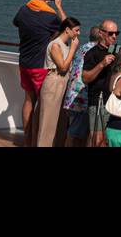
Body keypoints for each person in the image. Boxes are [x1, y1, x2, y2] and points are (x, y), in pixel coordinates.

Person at [12, 0, 67, 147]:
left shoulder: (23, 10)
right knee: (43, 105)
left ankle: (27, 139)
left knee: (28, 100)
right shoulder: (50, 16)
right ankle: (38, 141)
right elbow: (67, 28)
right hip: (40, 66)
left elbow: (16, 23)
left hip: (24, 62)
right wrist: (58, 7)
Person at [36, 17, 80, 147]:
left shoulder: (65, 44)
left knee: (61, 123)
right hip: (54, 83)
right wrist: (73, 49)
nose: (78, 33)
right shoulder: (55, 45)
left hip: (63, 83)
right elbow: (63, 67)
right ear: (67, 30)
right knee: (48, 123)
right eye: (76, 30)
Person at [79, 19, 118, 148]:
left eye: (116, 33)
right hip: (98, 101)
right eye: (111, 33)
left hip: (114, 101)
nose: (114, 36)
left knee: (108, 139)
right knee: (97, 139)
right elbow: (85, 78)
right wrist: (102, 64)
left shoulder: (116, 51)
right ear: (101, 33)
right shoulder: (92, 53)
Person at [61, 25, 100, 147]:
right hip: (82, 99)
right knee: (75, 134)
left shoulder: (83, 47)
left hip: (72, 97)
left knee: (76, 133)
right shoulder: (95, 51)